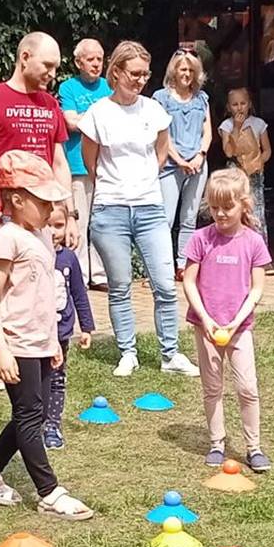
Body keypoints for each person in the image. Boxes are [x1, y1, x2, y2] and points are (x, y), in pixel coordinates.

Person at [0, 150, 94, 520]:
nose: (51, 209)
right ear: (17, 199)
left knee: (32, 414)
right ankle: (49, 492)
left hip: (40, 341)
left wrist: (53, 340)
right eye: (43, 201)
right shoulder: (6, 238)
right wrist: (0, 349)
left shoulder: (41, 236)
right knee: (28, 414)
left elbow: (44, 295)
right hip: (16, 341)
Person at [79, 40, 201, 379]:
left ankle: (170, 354)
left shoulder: (153, 110)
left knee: (165, 284)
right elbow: (91, 161)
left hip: (149, 207)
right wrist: (115, 185)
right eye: (134, 73)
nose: (140, 80)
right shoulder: (98, 113)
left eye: (145, 74)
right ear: (116, 72)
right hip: (110, 209)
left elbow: (161, 153)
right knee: (120, 286)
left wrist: (141, 181)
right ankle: (127, 353)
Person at [0, 32, 73, 392]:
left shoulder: (50, 104)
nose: (52, 74)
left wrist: (68, 214)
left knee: (36, 282)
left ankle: (35, 349)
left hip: (42, 212)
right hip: (5, 212)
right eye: (48, 65)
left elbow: (59, 161)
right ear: (25, 57)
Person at [181, 169, 273, 473]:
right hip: (206, 326)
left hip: (239, 327)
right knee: (212, 387)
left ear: (243, 204)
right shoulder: (200, 239)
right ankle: (216, 443)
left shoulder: (253, 242)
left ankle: (254, 447)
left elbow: (256, 289)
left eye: (227, 207)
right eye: (215, 207)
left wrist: (235, 321)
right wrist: (206, 319)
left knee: (247, 387)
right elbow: (189, 282)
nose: (220, 214)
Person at [57, 38, 112, 288]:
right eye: (91, 59)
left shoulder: (109, 87)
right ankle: (78, 276)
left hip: (104, 166)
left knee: (101, 223)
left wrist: (85, 121)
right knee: (78, 222)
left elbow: (115, 122)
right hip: (77, 165)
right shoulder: (68, 88)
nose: (96, 64)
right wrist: (99, 122)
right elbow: (69, 122)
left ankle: (100, 276)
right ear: (79, 62)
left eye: (99, 59)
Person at [43, 202, 95, 450]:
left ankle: (52, 424)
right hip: (36, 333)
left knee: (56, 379)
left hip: (61, 332)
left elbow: (79, 293)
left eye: (59, 225)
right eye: (48, 225)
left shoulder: (69, 258)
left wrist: (86, 327)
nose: (53, 231)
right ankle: (31, 423)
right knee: (35, 382)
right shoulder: (32, 255)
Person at [154, 50, 212, 264]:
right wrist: (179, 161)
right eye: (183, 69)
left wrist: (200, 155)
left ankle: (183, 263)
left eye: (191, 70)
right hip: (171, 165)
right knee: (166, 218)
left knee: (189, 218)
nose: (186, 74)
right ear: (174, 70)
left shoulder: (202, 98)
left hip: (197, 164)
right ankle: (162, 264)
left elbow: (208, 132)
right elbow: (161, 135)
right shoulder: (160, 98)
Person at [217, 88, 271, 240]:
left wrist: (258, 162)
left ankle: (259, 243)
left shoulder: (259, 124)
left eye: (243, 103)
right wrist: (236, 127)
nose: (239, 108)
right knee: (236, 207)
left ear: (249, 104)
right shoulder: (226, 126)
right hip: (235, 173)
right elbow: (228, 152)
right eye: (235, 105)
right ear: (229, 107)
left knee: (256, 208)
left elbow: (267, 150)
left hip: (254, 173)